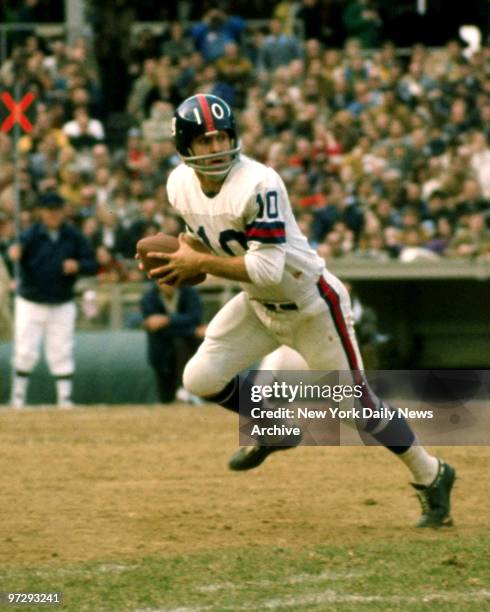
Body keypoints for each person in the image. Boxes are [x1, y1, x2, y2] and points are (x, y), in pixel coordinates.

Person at [146, 93, 456, 528]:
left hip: (311, 305)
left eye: (222, 138)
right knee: (199, 377)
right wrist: (185, 253)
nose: (216, 148)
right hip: (259, 305)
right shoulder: (178, 184)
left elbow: (268, 269)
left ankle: (433, 475)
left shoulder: (259, 182)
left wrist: (199, 263)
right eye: (205, 141)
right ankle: (275, 427)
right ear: (186, 146)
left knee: (358, 411)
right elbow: (206, 235)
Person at [8, 192, 97, 408]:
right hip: (31, 299)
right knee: (25, 347)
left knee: (62, 347)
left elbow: (91, 262)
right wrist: (14, 253)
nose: (54, 214)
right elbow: (11, 254)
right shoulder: (29, 235)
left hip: (61, 299)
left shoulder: (73, 236)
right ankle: (18, 397)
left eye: (57, 210)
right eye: (49, 210)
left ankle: (64, 397)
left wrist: (78, 265)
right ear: (41, 212)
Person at [140, 281, 203, 404]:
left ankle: (186, 392)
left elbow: (195, 317)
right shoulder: (149, 298)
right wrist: (190, 330)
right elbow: (155, 328)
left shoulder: (189, 293)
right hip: (161, 352)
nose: (167, 284)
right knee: (165, 397)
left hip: (188, 348)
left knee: (181, 344)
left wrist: (166, 320)